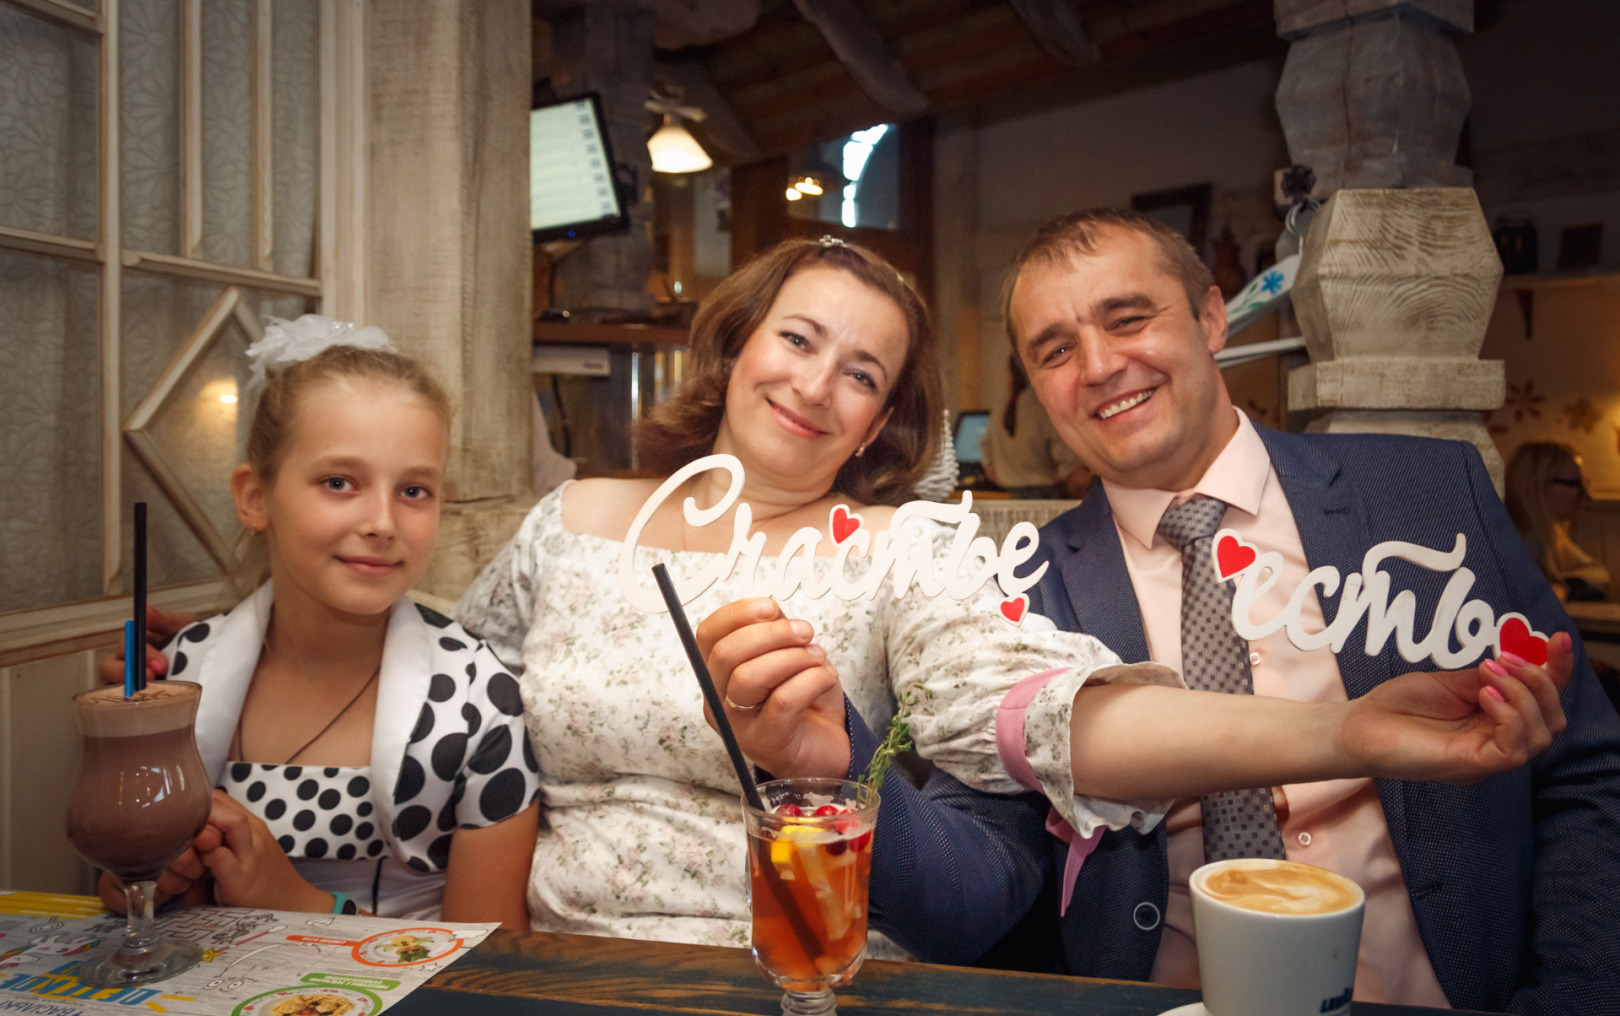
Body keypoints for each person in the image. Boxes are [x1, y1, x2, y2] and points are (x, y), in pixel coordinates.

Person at [456, 237, 1555, 963]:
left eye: (862, 373)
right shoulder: (573, 516)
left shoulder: (910, 551)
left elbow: (1040, 714)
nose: (813, 383)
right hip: (546, 962)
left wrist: (1341, 730)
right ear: (739, 341)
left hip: (799, 981)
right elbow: (451, 717)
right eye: (797, 339)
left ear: (882, 422)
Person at [703, 209, 1618, 1016]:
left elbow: (1585, 771)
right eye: (1054, 350)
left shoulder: (1424, 497)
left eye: (1129, 318)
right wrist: (846, 767)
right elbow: (969, 895)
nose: (1099, 366)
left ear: (1212, 319)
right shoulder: (1018, 588)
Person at [99, 318, 539, 926]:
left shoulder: (478, 701)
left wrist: (300, 904)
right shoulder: (177, 675)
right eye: (339, 482)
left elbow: (489, 964)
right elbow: (127, 897)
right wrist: (140, 883)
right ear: (255, 497)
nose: (383, 521)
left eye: (414, 491)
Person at [1505, 440, 1610, 601]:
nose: (1587, 494)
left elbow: (1598, 571)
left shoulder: (1550, 535)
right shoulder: (1513, 542)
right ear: (1537, 485)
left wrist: (1566, 587)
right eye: (1574, 483)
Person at [982, 353, 1091, 498]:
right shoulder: (1042, 408)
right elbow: (1069, 465)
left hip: (1006, 496)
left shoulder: (999, 409)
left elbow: (988, 464)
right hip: (1043, 496)